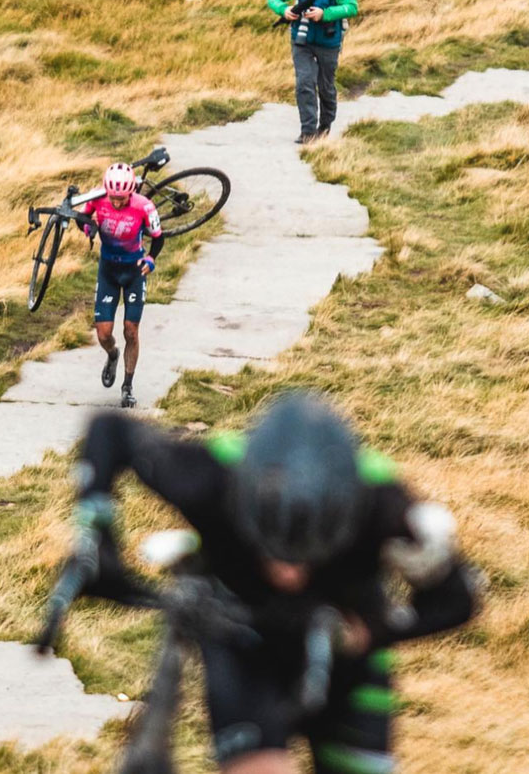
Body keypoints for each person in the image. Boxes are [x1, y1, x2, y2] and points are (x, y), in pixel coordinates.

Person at [55, 390, 478, 774]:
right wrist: (97, 538)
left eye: (311, 557)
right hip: (244, 639)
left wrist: (374, 629)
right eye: (269, 550)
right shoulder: (212, 477)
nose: (288, 573)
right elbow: (109, 430)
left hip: (348, 660)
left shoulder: (386, 506)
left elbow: (457, 601)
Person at [75, 162, 164, 409]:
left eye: (122, 198)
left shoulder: (144, 206)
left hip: (134, 271)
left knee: (130, 330)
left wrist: (151, 258)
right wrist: (86, 226)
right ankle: (112, 355)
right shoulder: (97, 198)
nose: (116, 202)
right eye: (113, 197)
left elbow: (158, 237)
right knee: (103, 333)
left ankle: (127, 386)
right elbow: (81, 217)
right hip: (108, 271)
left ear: (130, 192)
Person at [267, 0, 358, 144]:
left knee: (326, 86)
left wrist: (323, 14)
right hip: (302, 40)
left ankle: (324, 126)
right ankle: (308, 132)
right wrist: (285, 10)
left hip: (329, 42)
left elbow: (352, 7)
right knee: (304, 83)